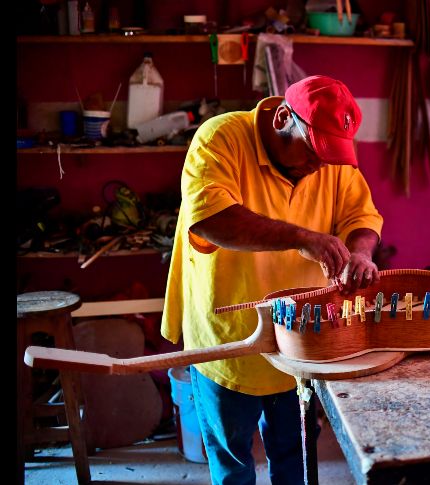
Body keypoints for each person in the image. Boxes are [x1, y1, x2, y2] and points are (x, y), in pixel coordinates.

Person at [161, 75, 384, 485]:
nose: (319, 166)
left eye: (329, 157)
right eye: (312, 152)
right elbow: (212, 220)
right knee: (232, 462)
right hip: (229, 337)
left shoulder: (330, 163)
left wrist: (360, 253)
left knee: (296, 456)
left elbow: (361, 216)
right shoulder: (220, 138)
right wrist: (301, 238)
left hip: (301, 338)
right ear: (283, 117)